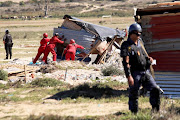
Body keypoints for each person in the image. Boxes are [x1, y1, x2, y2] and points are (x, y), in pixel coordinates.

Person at [120, 23, 160, 113]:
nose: (139, 36)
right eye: (137, 34)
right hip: (135, 73)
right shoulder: (126, 45)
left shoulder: (139, 44)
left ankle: (155, 110)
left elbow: (143, 56)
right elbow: (125, 61)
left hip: (145, 72)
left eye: (140, 34)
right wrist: (129, 76)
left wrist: (149, 59)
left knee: (155, 89)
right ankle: (134, 113)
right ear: (131, 33)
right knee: (134, 93)